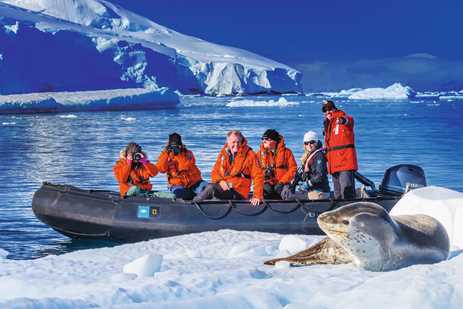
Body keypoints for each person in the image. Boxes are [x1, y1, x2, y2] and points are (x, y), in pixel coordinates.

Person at [193, 130, 264, 206]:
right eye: (233, 142)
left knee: (211, 188)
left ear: (242, 141)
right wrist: (220, 181)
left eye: (238, 142)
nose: (236, 145)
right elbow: (215, 172)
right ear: (228, 142)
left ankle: (192, 205)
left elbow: (258, 176)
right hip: (225, 188)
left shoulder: (250, 155)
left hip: (239, 192)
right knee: (205, 187)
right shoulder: (224, 153)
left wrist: (257, 196)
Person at [322, 100, 358, 199]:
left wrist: (342, 120)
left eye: (330, 109)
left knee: (347, 191)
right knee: (337, 195)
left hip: (345, 162)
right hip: (333, 165)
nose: (328, 112)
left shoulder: (342, 118)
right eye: (325, 110)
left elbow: (349, 120)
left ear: (334, 108)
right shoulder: (327, 125)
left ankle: (351, 211)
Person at [156, 133, 207, 200]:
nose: (175, 148)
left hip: (195, 182)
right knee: (184, 195)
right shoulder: (165, 155)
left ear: (180, 144)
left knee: (209, 190)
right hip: (177, 185)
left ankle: (199, 195)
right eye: (173, 145)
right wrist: (166, 153)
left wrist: (179, 154)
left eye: (176, 145)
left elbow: (185, 166)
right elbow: (161, 169)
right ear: (169, 144)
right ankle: (195, 196)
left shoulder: (188, 153)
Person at [256, 129, 297, 200]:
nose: (264, 141)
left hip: (283, 183)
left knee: (287, 192)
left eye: (266, 139)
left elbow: (293, 169)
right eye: (262, 139)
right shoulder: (259, 154)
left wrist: (282, 182)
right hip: (268, 183)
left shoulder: (287, 152)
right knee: (263, 190)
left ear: (274, 141)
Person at [293, 130, 330, 200]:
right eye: (306, 143)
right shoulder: (308, 156)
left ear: (316, 142)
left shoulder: (319, 156)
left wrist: (308, 183)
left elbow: (320, 176)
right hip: (312, 190)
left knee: (290, 196)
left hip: (320, 191)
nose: (309, 145)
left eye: (311, 142)